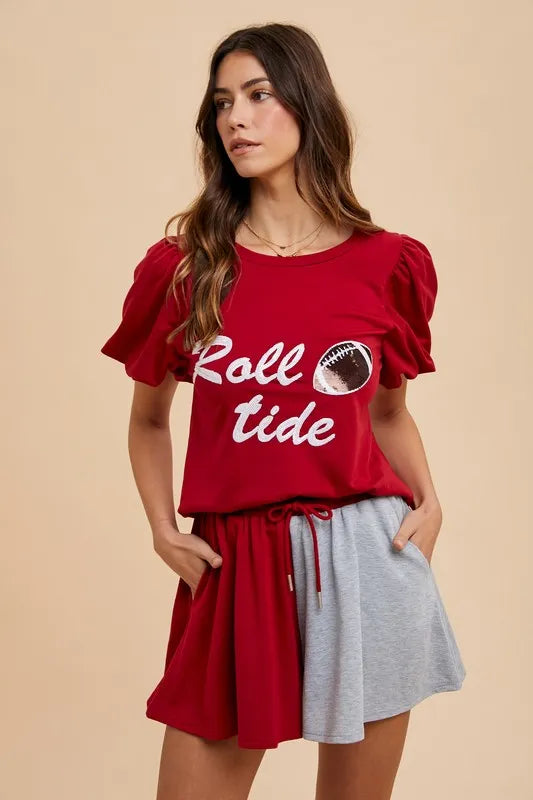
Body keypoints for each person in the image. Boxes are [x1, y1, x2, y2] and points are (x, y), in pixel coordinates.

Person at [100, 22, 466, 800]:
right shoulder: (187, 269)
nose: (236, 118)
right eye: (222, 102)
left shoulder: (385, 265)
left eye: (258, 95)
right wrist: (163, 529)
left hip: (366, 557)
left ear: (307, 104)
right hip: (237, 564)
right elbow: (148, 420)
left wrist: (430, 501)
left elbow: (386, 414)